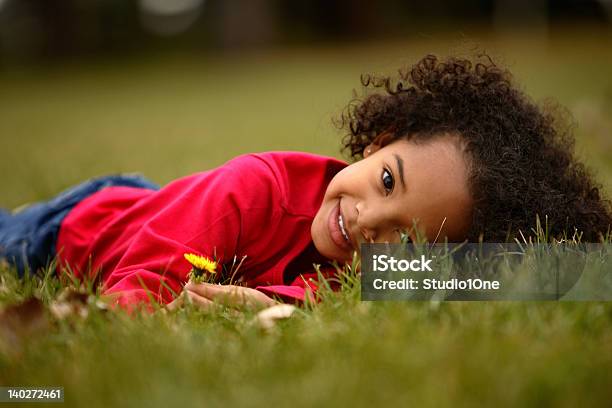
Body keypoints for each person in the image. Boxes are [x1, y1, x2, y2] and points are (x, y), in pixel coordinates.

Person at [1, 54, 611, 312]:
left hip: (168, 211)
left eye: (405, 239)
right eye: (387, 181)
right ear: (380, 140)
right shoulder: (254, 188)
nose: (371, 223)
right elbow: (133, 287)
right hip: (75, 228)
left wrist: (277, 303)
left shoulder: (377, 264)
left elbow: (581, 278)